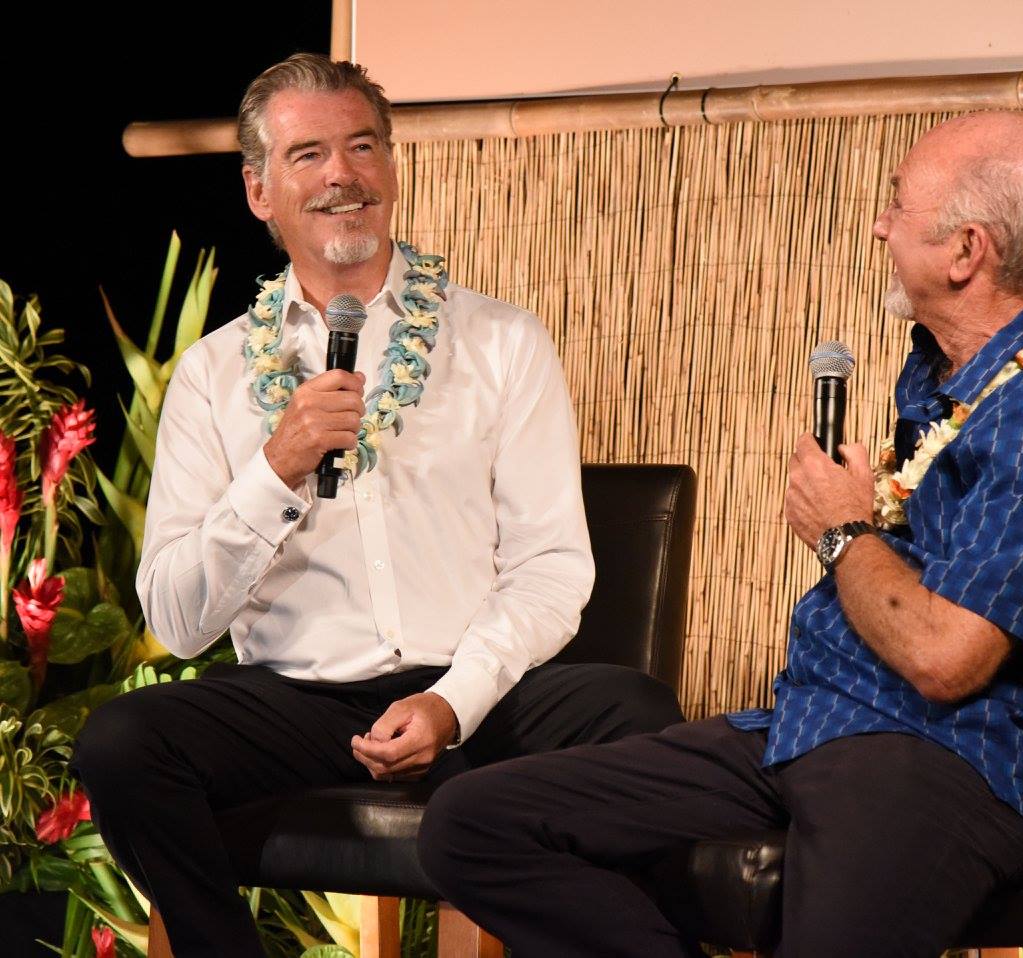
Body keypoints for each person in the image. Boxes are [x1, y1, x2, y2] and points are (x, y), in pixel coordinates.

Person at [417, 111, 1023, 957]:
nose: (876, 224)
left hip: (948, 759)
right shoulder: (951, 369)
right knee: (475, 822)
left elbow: (944, 658)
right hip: (811, 722)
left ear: (965, 251)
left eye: (896, 204)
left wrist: (839, 530)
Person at [70, 54, 682, 957]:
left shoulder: (500, 341)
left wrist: (450, 702)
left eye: (362, 147)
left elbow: (552, 568)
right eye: (308, 154)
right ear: (258, 191)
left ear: (391, 170)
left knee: (631, 710)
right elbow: (176, 615)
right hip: (298, 703)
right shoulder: (211, 375)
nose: (341, 175)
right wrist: (275, 468)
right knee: (121, 743)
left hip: (476, 693)